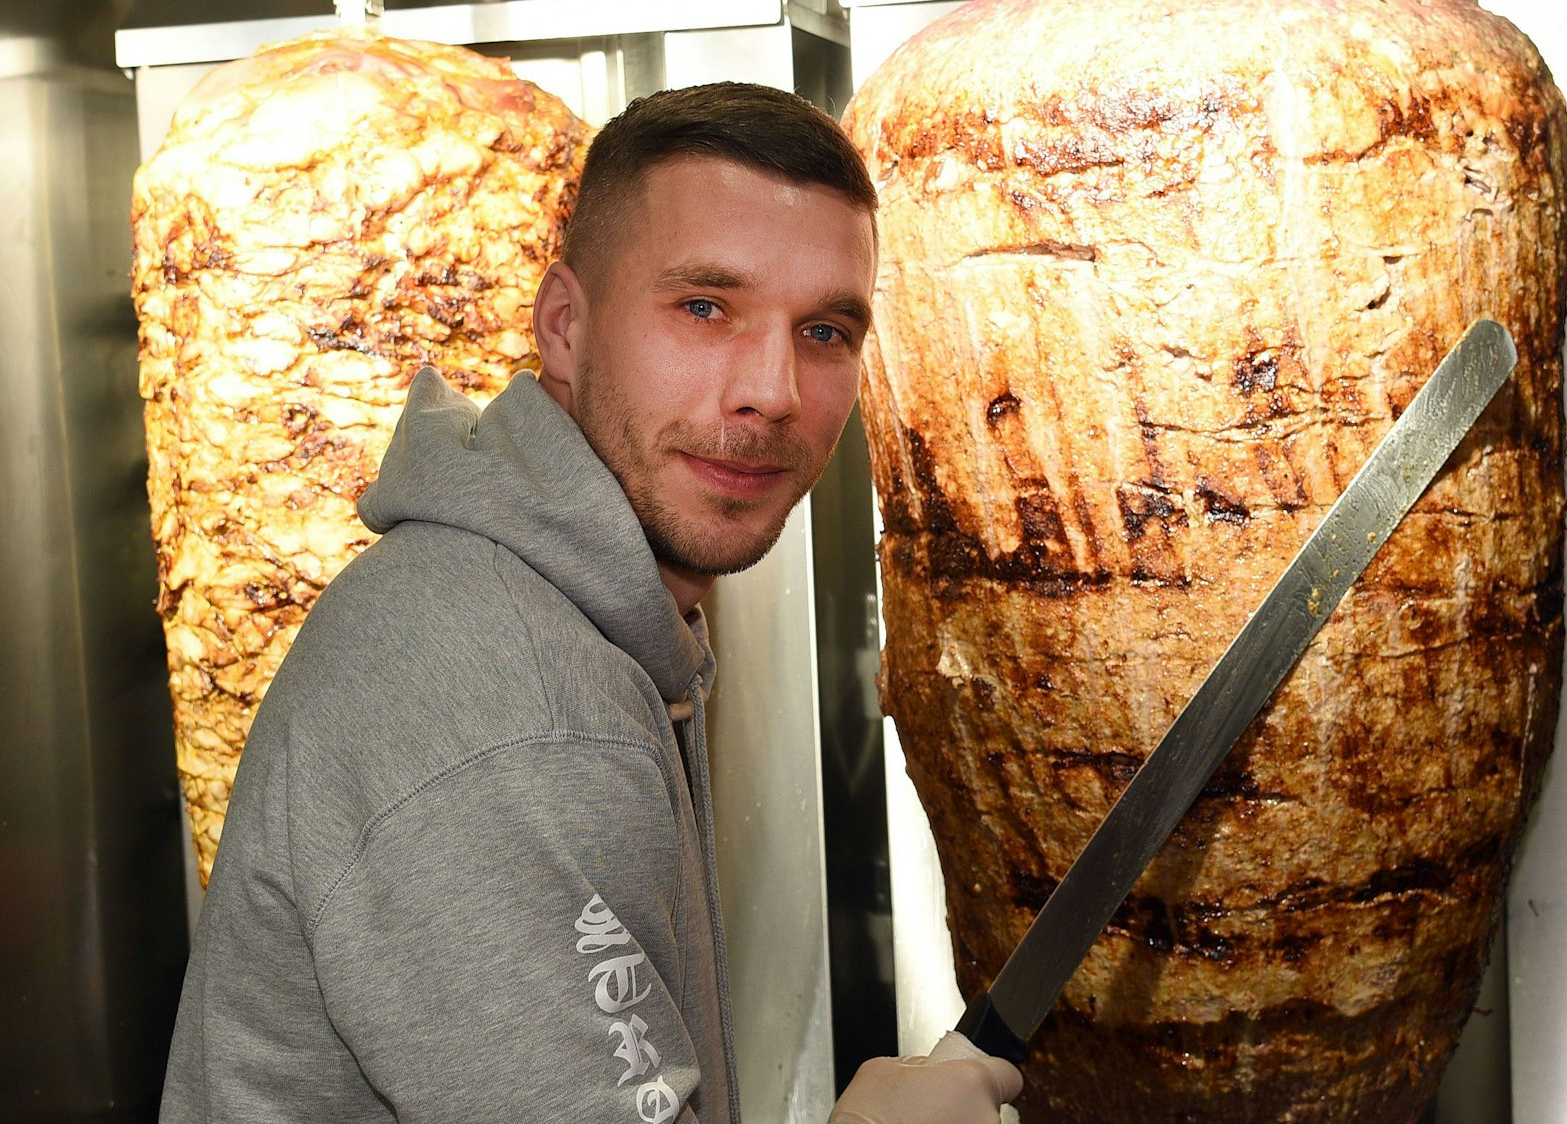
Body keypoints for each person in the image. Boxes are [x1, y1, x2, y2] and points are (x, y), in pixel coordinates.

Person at [159, 81, 1022, 1124]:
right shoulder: (516, 708)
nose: (772, 389)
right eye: (704, 307)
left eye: (826, 331)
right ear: (564, 326)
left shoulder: (569, 618)